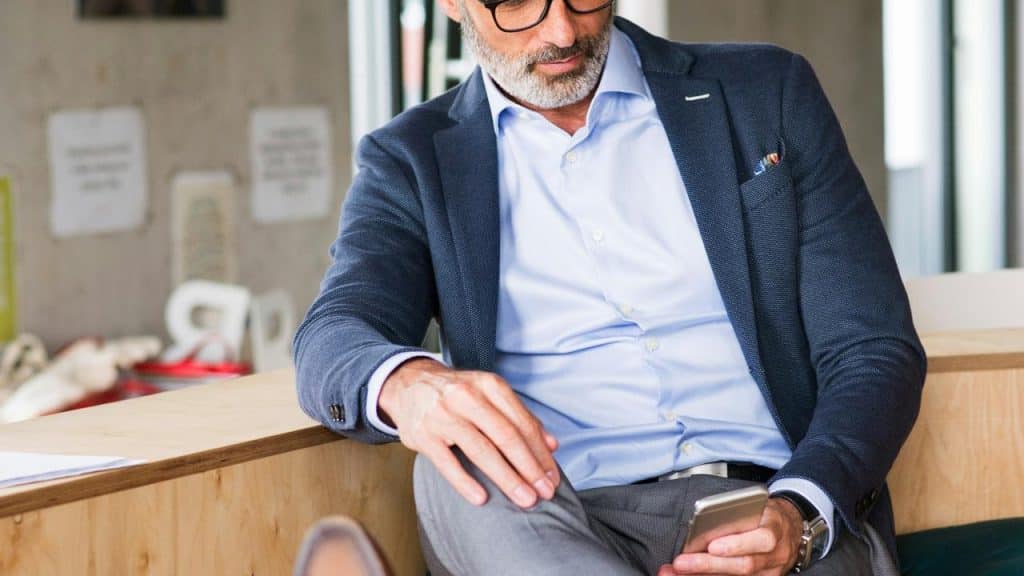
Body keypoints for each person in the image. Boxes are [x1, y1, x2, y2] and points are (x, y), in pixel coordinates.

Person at [294, 0, 926, 574]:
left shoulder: (766, 94)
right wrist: (409, 384)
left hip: (769, 513)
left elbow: (873, 348)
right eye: (516, 2)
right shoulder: (411, 160)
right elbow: (334, 331)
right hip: (561, 522)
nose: (563, 30)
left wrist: (802, 511)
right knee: (452, 467)